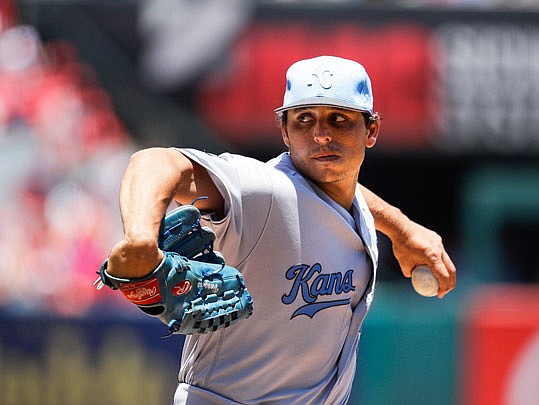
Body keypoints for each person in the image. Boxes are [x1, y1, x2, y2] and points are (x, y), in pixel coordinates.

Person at [105, 55, 456, 404]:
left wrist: (403, 229)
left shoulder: (347, 203)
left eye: (339, 119)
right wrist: (139, 238)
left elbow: (342, 195)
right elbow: (154, 161)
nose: (321, 135)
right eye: (304, 119)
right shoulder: (265, 192)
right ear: (285, 131)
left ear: (371, 130)